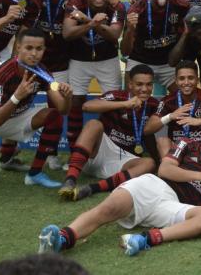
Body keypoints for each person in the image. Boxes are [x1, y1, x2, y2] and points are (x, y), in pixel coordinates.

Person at [38, 114, 201, 256]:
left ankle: (144, 240)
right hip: (154, 187)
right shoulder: (187, 144)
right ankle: (63, 239)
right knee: (108, 209)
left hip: (175, 207)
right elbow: (165, 170)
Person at [58, 64, 158, 201]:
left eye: (149, 85)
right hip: (99, 152)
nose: (144, 89)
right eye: (139, 84)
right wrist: (125, 104)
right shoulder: (117, 95)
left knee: (149, 163)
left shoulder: (153, 105)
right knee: (94, 124)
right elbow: (87, 106)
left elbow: (150, 134)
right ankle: (70, 180)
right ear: (130, 84)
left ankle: (92, 188)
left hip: (124, 160)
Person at [0, 28, 72, 186]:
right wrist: (17, 95)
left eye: (39, 49)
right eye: (29, 48)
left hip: (13, 116)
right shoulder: (2, 72)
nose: (34, 53)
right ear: (18, 47)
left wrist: (67, 97)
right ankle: (6, 156)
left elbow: (63, 110)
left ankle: (34, 174)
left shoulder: (43, 72)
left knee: (53, 116)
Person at [31, 0, 84, 170]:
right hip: (35, 58)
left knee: (58, 105)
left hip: (61, 59)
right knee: (19, 101)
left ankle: (52, 154)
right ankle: (7, 155)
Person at [63, 0, 125, 148]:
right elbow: (67, 34)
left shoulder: (117, 6)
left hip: (108, 60)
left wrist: (85, 20)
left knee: (112, 103)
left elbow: (114, 35)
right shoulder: (74, 5)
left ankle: (108, 146)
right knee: (76, 102)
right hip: (79, 60)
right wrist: (91, 23)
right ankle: (74, 146)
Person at [121, 0, 190, 89]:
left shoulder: (182, 5)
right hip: (140, 61)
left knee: (185, 94)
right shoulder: (136, 10)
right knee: (131, 98)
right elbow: (125, 51)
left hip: (168, 63)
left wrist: (187, 32)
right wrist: (130, 30)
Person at [144, 60, 201, 149]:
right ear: (176, 81)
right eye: (182, 78)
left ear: (197, 80)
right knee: (162, 141)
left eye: (190, 78)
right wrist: (170, 116)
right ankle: (169, 163)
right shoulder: (167, 101)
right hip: (177, 150)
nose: (186, 82)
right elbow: (147, 129)